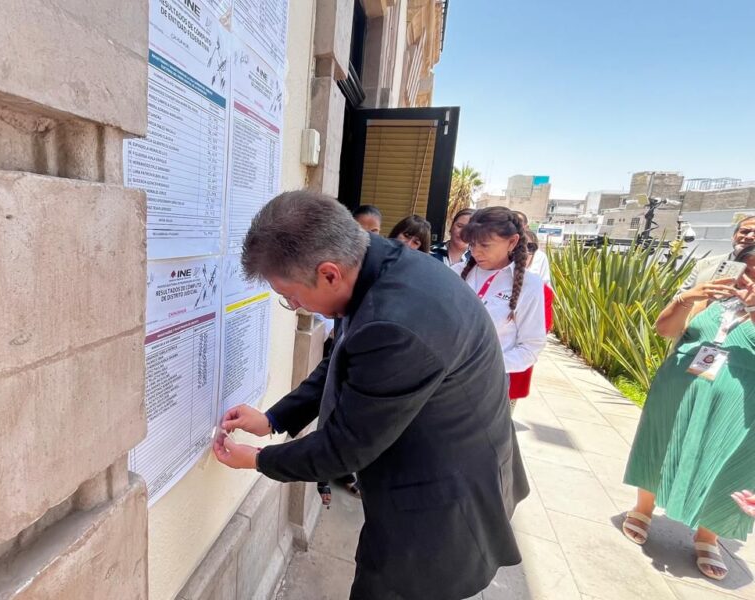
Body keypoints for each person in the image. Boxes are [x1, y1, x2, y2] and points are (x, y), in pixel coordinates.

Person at [212, 191, 528, 600]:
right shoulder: (376, 266)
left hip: (441, 509)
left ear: (329, 274)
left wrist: (259, 460)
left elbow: (344, 448)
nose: (295, 306)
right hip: (438, 470)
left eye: (290, 296)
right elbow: (343, 360)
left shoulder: (394, 321)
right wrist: (273, 419)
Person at [622, 244, 755, 581]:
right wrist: (687, 298)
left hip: (739, 404)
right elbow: (665, 330)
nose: (751, 278)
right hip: (679, 386)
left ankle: (708, 535)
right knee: (661, 442)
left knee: (727, 462)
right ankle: (643, 509)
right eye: (748, 269)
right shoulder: (713, 297)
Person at [453, 208, 547, 411]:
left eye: (485, 245)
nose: (476, 252)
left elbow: (530, 346)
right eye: (472, 244)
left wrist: (484, 364)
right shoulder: (456, 273)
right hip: (447, 380)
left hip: (488, 387)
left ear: (512, 242)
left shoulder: (529, 286)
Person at [513, 211, 552, 286]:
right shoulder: (502, 252)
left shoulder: (539, 256)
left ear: (526, 227)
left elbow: (545, 284)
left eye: (518, 224)